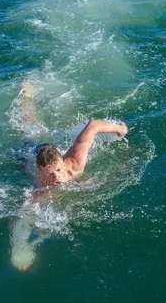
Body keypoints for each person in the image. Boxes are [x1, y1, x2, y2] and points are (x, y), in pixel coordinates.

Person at [9, 82, 129, 271]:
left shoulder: (76, 160)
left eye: (58, 171)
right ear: (41, 173)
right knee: (27, 131)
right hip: (28, 154)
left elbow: (94, 125)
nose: (55, 178)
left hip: (47, 152)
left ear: (63, 163)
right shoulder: (40, 187)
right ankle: (25, 95)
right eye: (49, 175)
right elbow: (18, 217)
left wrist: (119, 129)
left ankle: (27, 94)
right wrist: (19, 248)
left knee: (35, 129)